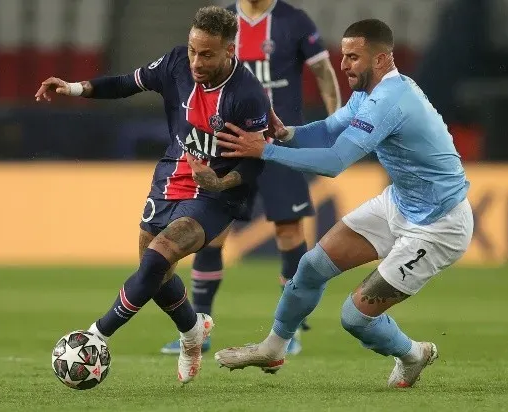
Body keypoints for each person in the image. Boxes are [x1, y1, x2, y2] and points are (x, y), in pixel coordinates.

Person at [209, 19, 474, 388]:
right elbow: (333, 127)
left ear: (381, 59)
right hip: (399, 203)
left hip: (439, 225)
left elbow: (334, 162)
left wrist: (266, 150)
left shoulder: (390, 101)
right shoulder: (369, 93)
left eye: (353, 57)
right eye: (344, 55)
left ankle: (414, 354)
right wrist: (285, 134)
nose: (344, 64)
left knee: (354, 317)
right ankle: (273, 347)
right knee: (311, 266)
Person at [34, 6, 271, 384]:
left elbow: (257, 163)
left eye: (206, 53)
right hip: (171, 177)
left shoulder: (247, 96)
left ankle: (97, 334)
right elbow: (128, 82)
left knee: (160, 254)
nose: (196, 60)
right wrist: (75, 88)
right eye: (193, 50)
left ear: (229, 50)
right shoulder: (177, 63)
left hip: (217, 192)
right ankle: (193, 331)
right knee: (154, 270)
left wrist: (220, 183)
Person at [160, 0, 341, 357]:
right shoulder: (222, 22)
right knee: (211, 234)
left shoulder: (294, 20)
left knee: (289, 230)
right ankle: (201, 324)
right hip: (224, 146)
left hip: (278, 146)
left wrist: (336, 124)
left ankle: (289, 332)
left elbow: (322, 71)